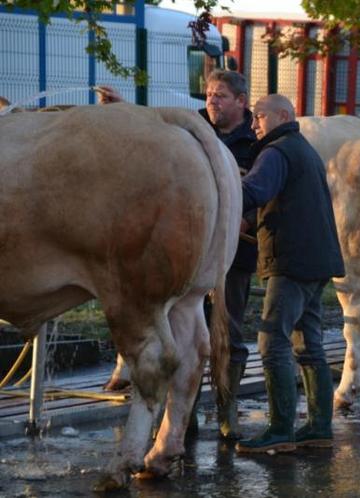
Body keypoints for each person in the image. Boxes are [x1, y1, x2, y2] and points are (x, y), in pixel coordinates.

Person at [97, 69, 257, 441]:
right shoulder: (193, 127)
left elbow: (262, 188)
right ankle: (186, 415)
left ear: (240, 102)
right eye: (209, 94)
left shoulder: (257, 141)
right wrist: (125, 108)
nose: (212, 101)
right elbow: (157, 128)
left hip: (233, 252)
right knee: (185, 332)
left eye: (220, 95)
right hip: (188, 254)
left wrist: (244, 220)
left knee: (229, 332)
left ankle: (227, 412)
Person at [235, 94, 344, 453]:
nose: (254, 125)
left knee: (272, 342)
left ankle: (280, 429)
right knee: (308, 343)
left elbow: (255, 190)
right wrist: (249, 219)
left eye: (260, 117)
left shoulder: (276, 151)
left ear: (282, 115)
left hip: (292, 261)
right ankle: (318, 426)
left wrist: (219, 188)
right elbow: (279, 198)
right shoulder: (303, 149)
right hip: (317, 260)